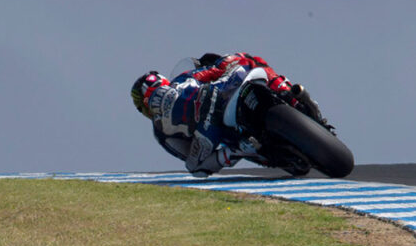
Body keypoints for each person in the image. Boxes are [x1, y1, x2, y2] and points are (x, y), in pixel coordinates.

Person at [130, 52, 329, 177]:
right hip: (224, 116)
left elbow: (188, 158)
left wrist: (226, 66)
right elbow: (188, 156)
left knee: (197, 167)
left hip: (225, 99)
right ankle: (295, 97)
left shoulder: (184, 82)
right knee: (252, 62)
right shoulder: (165, 126)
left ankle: (292, 97)